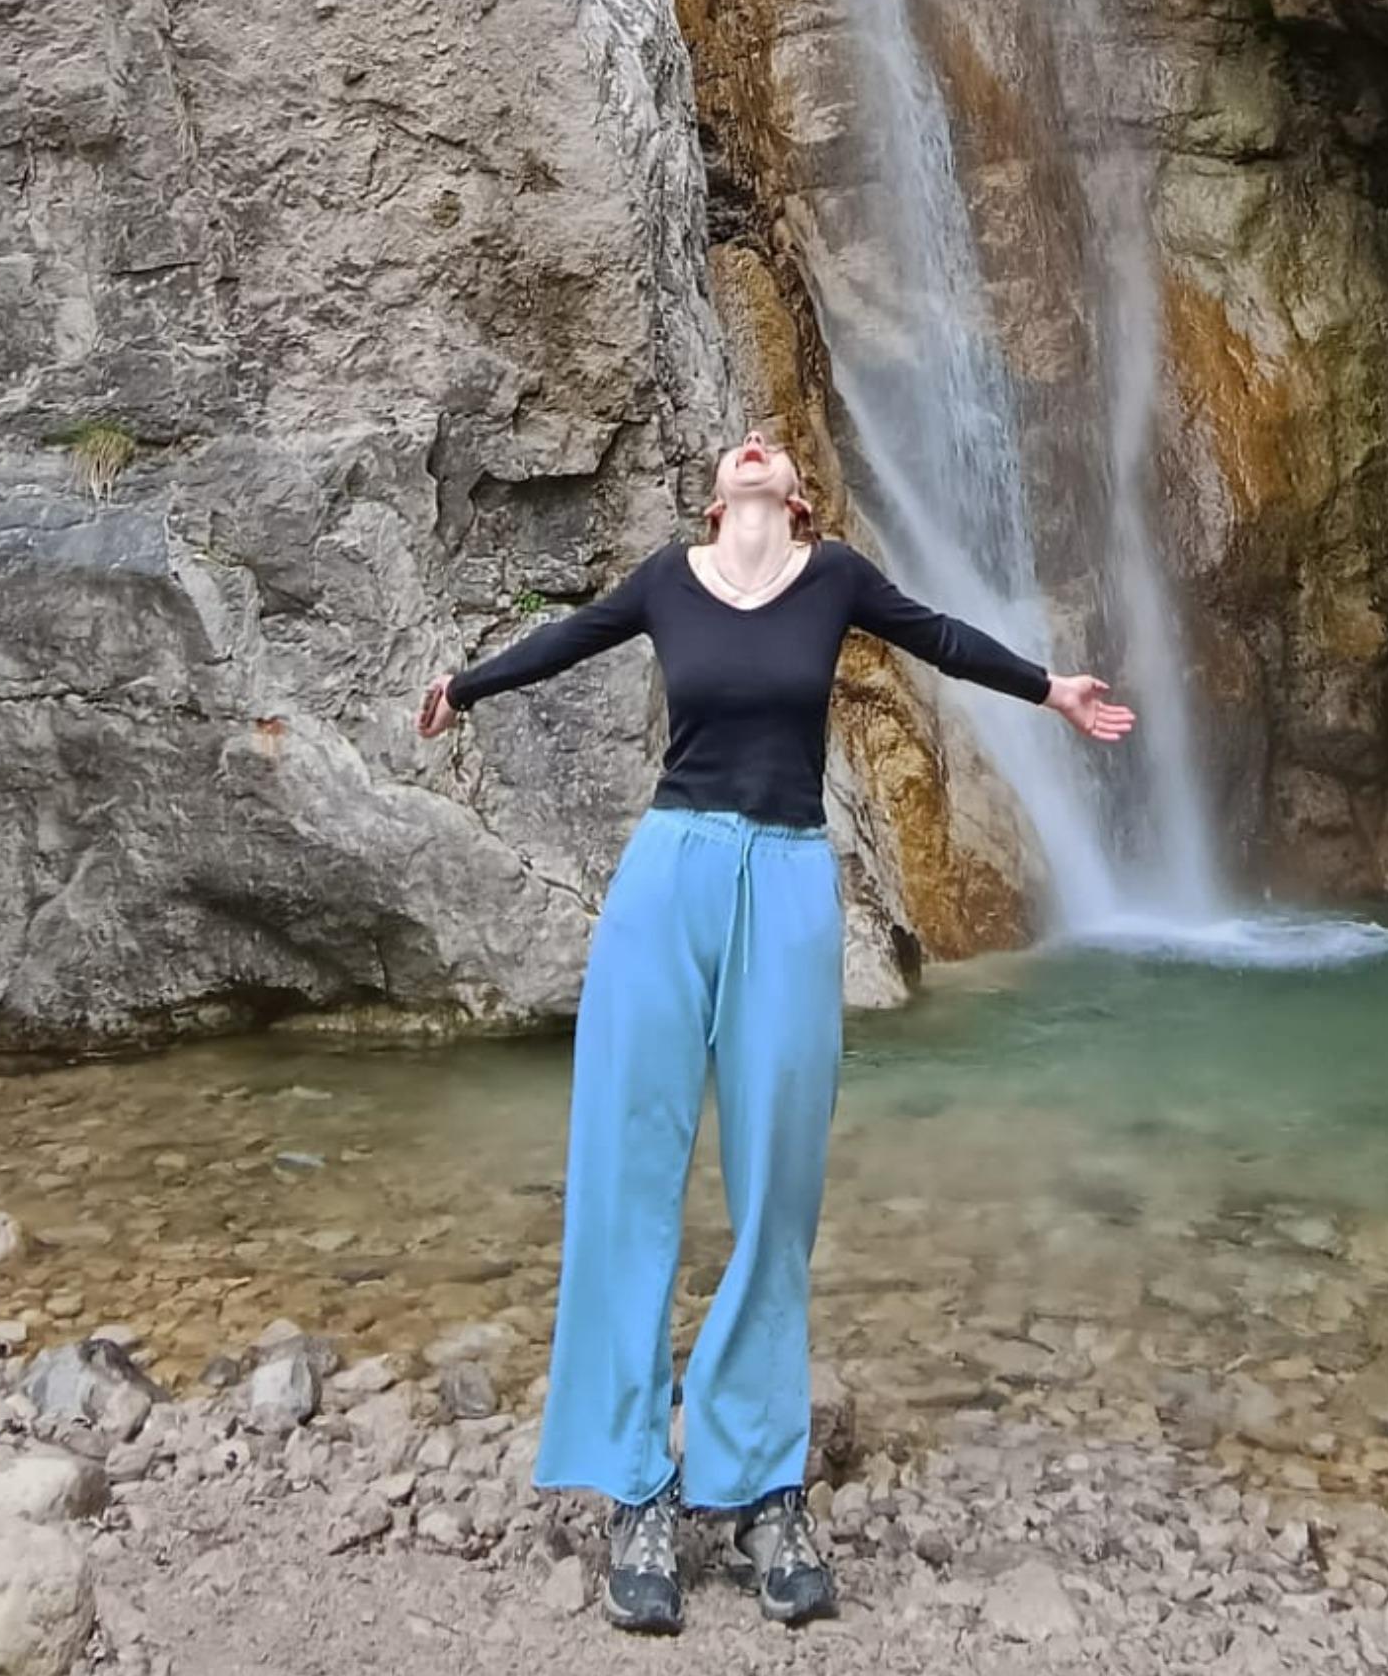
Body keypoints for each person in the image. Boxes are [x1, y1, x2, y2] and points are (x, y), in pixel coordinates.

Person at [415, 426, 1135, 1633]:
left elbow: (939, 637)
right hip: (670, 875)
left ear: (798, 501)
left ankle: (760, 1482)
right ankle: (636, 1485)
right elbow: (566, 640)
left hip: (792, 879)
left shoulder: (835, 578)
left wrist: (1050, 689)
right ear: (715, 499)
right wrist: (466, 686)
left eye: (777, 450)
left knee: (779, 1183)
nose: (757, 445)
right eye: (740, 448)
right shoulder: (665, 580)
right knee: (626, 1168)